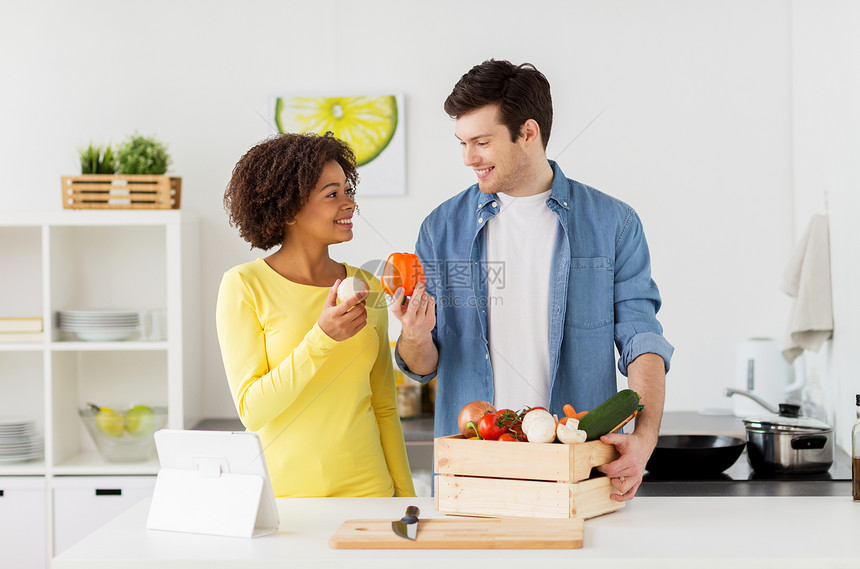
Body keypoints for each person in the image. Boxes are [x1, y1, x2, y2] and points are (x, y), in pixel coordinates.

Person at [390, 59, 673, 501]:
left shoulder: (613, 223)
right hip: (475, 470)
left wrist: (646, 437)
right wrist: (414, 334)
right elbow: (422, 365)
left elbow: (643, 339)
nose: (468, 158)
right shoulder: (440, 229)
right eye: (462, 143)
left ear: (528, 133)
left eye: (481, 142)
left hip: (577, 470)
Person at [216, 132, 415, 498]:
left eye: (347, 190)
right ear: (288, 209)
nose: (350, 204)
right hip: (284, 501)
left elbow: (384, 406)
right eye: (332, 194)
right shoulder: (244, 285)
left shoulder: (365, 283)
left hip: (370, 494)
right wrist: (321, 338)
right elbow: (252, 411)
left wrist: (405, 499)